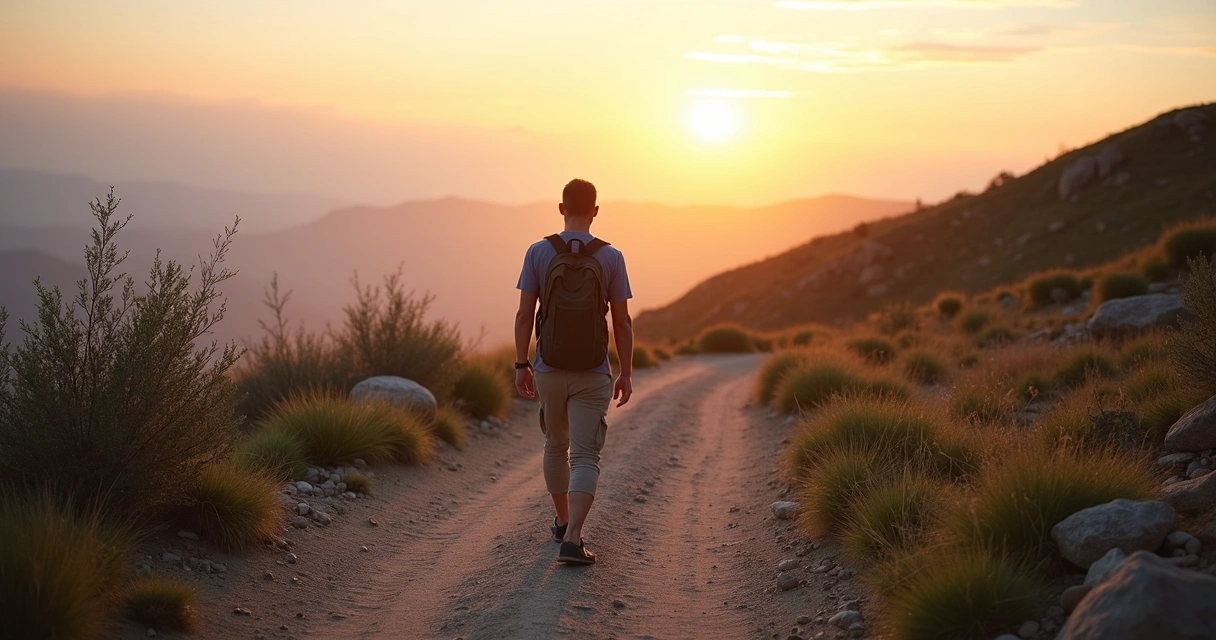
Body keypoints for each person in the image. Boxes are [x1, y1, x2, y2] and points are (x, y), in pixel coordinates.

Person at [514, 178, 633, 566]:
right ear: (596, 210)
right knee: (585, 456)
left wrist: (521, 364)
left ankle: (562, 521)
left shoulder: (537, 252)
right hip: (593, 370)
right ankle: (574, 538)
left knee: (554, 446)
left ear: (561, 208)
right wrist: (626, 372)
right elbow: (622, 321)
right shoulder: (611, 257)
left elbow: (524, 314)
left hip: (548, 367)